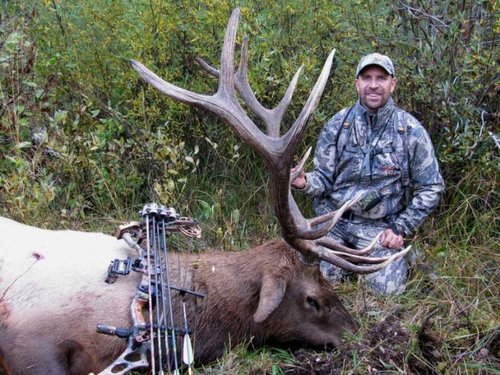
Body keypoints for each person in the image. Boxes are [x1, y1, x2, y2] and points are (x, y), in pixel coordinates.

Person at [292, 53, 445, 295]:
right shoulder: (337, 125)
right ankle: (345, 266)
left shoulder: (411, 131)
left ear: (392, 84)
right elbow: (323, 179)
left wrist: (400, 228)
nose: (373, 85)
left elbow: (431, 187)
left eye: (381, 78)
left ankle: (389, 260)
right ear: (357, 84)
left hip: (379, 229)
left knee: (388, 291)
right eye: (367, 78)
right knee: (310, 285)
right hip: (332, 224)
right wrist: (304, 182)